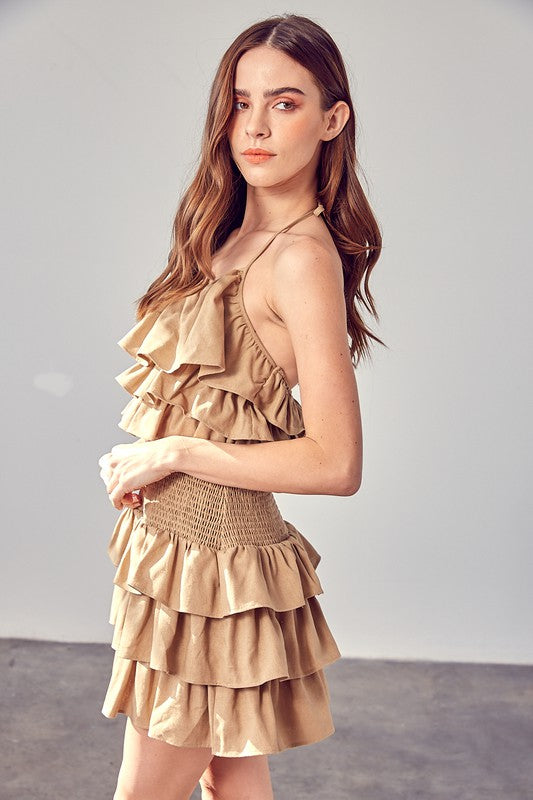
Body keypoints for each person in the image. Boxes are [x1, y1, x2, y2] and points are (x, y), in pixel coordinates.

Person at [98, 12, 383, 800]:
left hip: (213, 571)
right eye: (240, 100)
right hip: (182, 560)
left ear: (332, 120)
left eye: (285, 104)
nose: (254, 126)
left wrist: (174, 454)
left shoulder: (298, 258)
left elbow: (336, 461)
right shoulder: (224, 234)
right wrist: (150, 457)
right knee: (233, 782)